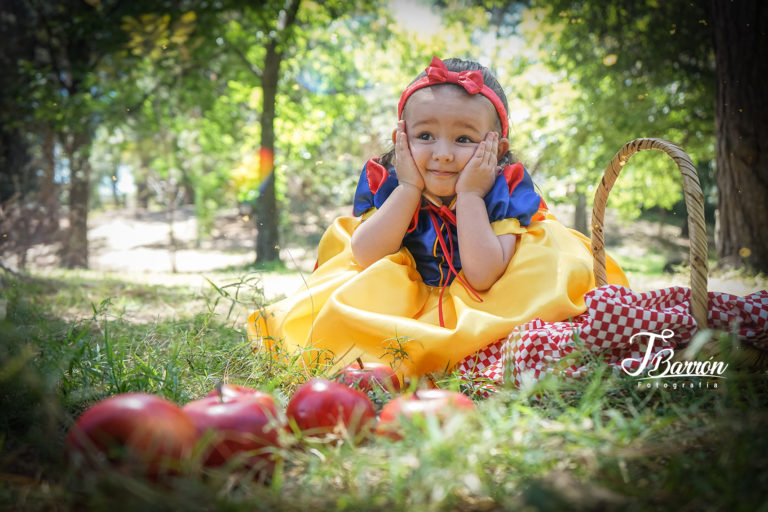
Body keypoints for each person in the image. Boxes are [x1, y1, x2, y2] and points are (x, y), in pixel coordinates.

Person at [247, 56, 628, 379]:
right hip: (405, 292)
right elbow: (365, 256)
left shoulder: (504, 189)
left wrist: (470, 195)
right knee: (349, 303)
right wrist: (409, 190)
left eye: (464, 140)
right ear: (402, 137)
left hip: (487, 298)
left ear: (497, 150)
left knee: (548, 263)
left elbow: (482, 274)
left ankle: (487, 358)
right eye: (425, 136)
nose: (443, 154)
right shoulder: (391, 180)